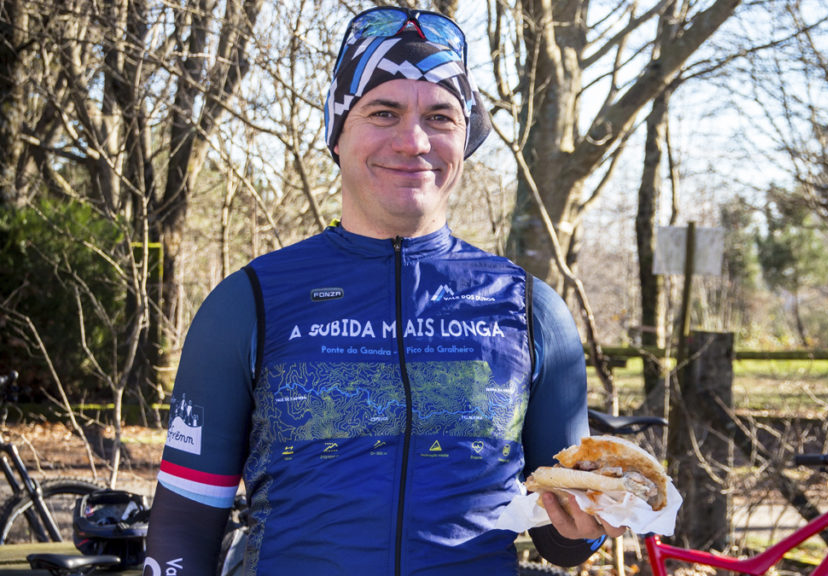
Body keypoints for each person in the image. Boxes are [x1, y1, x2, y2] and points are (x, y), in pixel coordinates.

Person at [144, 6, 624, 575]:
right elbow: (186, 520)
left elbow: (561, 537)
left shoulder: (530, 310)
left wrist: (584, 527)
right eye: (383, 111)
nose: (413, 140)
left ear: (464, 140)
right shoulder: (248, 302)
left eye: (441, 117)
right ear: (338, 135)